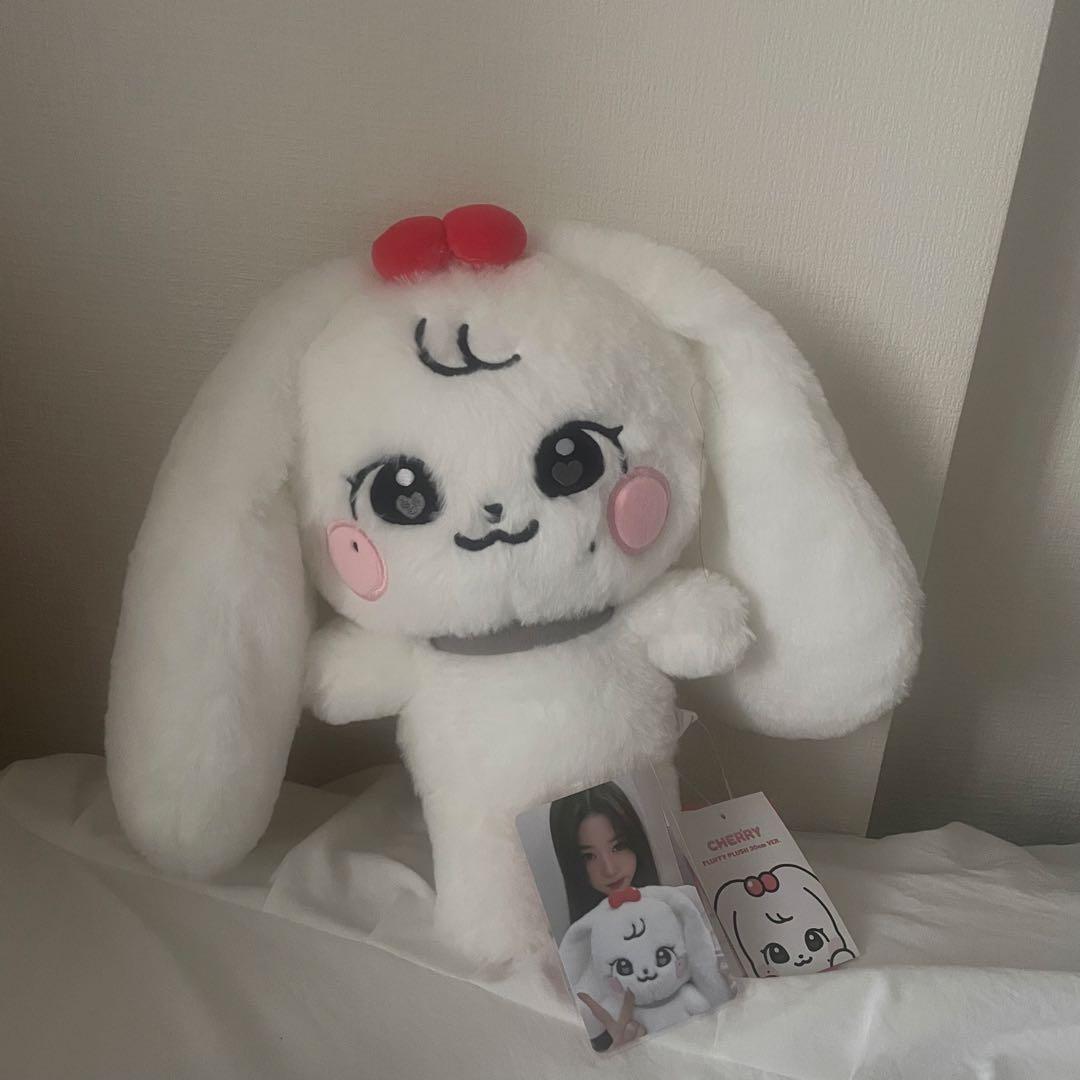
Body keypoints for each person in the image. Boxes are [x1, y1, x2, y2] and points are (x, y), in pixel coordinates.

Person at [549, 782, 661, 1051]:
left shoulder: (675, 912)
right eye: (589, 856)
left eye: (618, 846)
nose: (609, 869)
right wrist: (615, 1050)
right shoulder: (583, 954)